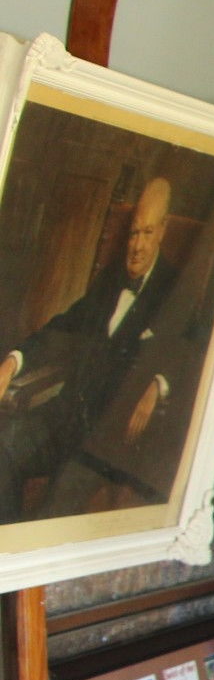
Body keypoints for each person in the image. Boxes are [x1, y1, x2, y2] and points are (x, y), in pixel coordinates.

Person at [0, 177, 183, 520]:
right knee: (3, 448)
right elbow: (64, 327)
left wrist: (159, 384)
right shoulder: (112, 277)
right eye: (133, 233)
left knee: (47, 515)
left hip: (105, 441)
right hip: (66, 415)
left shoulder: (175, 289)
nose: (137, 246)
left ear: (163, 229)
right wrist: (13, 361)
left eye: (147, 233)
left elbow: (190, 352)